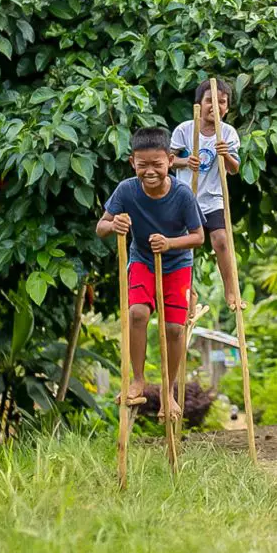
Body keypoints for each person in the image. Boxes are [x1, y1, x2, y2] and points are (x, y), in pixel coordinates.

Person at [96, 127, 204, 421]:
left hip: (178, 263)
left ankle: (168, 392)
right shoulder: (126, 190)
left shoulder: (182, 195)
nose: (150, 171)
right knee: (138, 314)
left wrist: (170, 243)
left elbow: (198, 237)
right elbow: (101, 227)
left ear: (170, 160)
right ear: (133, 163)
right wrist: (115, 223)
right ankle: (138, 379)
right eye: (143, 165)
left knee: (173, 329)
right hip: (142, 259)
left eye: (157, 164)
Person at [170, 79, 241, 308]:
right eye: (210, 100)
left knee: (221, 240)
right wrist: (184, 161)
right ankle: (187, 295)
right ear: (199, 104)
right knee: (185, 246)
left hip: (213, 198)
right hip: (186, 198)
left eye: (221, 102)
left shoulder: (228, 133)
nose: (215, 106)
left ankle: (231, 291)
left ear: (227, 107)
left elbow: (234, 169)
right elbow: (168, 160)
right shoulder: (184, 129)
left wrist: (226, 155)